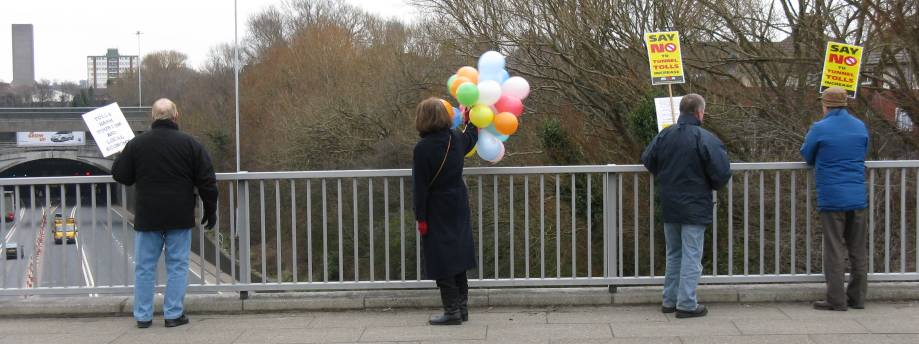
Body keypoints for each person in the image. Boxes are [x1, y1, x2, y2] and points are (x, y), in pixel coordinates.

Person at [112, 98, 218, 328]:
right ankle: (173, 314)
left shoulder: (137, 144)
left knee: (144, 267)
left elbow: (122, 176)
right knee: (178, 265)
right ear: (176, 116)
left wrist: (122, 154)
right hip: (179, 215)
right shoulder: (191, 144)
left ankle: (143, 316)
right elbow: (207, 180)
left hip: (147, 215)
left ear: (152, 117)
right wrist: (211, 209)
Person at [641, 94, 731, 319]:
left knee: (674, 253)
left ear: (681, 111)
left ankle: (669, 300)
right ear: (700, 112)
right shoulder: (705, 138)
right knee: (692, 254)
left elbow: (648, 159)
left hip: (670, 203)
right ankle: (687, 303)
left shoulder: (665, 135)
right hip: (695, 204)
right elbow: (721, 173)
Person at [800, 86, 869, 311]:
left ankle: (836, 300)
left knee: (834, 249)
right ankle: (858, 298)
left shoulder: (820, 128)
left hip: (832, 197)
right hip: (858, 196)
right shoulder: (860, 126)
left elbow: (807, 154)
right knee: (857, 249)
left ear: (825, 105)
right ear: (846, 104)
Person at [412, 98, 478, 325]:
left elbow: (419, 187)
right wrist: (471, 121)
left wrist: (420, 218)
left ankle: (451, 312)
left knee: (441, 258)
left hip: (436, 208)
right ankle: (462, 308)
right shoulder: (456, 139)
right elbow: (471, 138)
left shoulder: (422, 148)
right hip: (458, 203)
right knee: (458, 254)